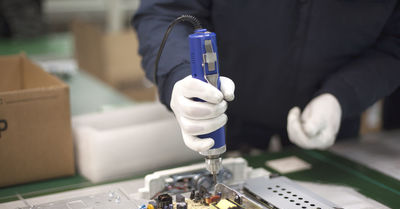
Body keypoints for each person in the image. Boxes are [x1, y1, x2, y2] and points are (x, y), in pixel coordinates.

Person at [132, 0, 400, 153]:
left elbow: (394, 44)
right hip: (227, 119)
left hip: (329, 131)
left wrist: (342, 96)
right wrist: (179, 76)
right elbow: (164, 12)